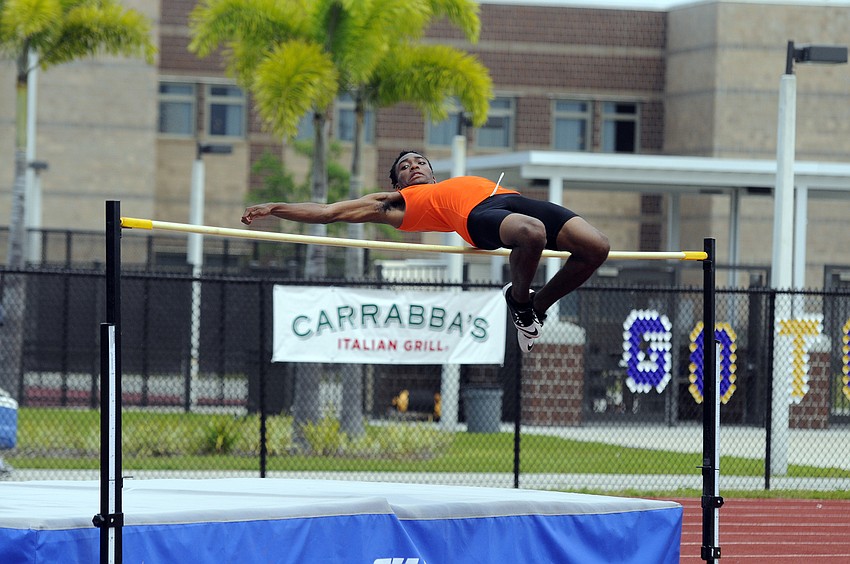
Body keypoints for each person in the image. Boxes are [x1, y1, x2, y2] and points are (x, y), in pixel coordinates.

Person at [242, 150, 610, 352]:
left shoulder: (451, 181)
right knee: (532, 234)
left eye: (419, 162)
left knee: (596, 247)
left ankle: (533, 309)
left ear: (432, 172)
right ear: (397, 181)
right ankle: (519, 302)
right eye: (404, 166)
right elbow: (329, 212)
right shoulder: (397, 202)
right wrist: (275, 207)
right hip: (479, 217)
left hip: (511, 199)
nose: (413, 166)